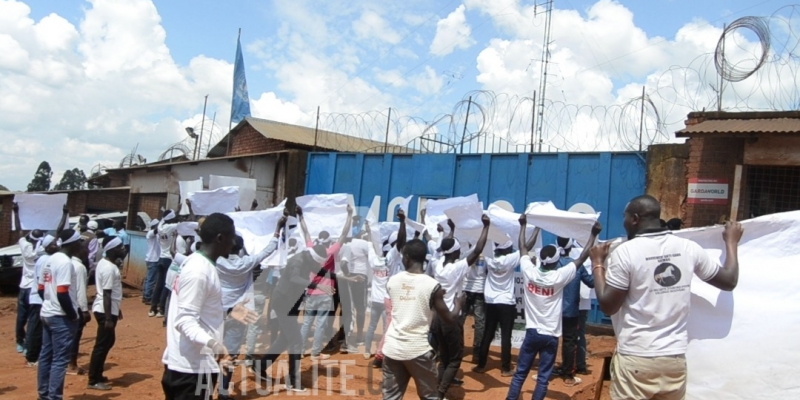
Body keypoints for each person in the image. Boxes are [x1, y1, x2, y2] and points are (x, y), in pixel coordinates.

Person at [589, 195, 743, 400]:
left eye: (625, 217)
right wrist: (731, 242)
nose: (623, 222)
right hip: (674, 360)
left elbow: (608, 306)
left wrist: (598, 264)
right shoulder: (688, 248)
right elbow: (729, 281)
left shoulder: (626, 253)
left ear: (635, 219)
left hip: (637, 356)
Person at [161, 213, 258, 400]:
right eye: (231, 237)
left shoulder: (197, 262)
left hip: (190, 364)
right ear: (220, 238)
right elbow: (185, 321)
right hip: (192, 370)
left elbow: (196, 310)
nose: (233, 243)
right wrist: (215, 346)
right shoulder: (199, 271)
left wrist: (228, 311)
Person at [505, 217, 601, 400]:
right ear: (556, 262)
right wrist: (594, 234)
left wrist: (523, 225)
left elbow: (523, 248)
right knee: (543, 379)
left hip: (532, 333)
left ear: (541, 260)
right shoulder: (559, 277)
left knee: (520, 374)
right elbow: (582, 257)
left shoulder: (529, 271)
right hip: (550, 336)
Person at [381, 238, 464, 400]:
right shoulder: (433, 286)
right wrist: (459, 304)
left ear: (406, 258)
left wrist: (433, 297)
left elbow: (410, 298)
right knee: (430, 396)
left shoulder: (392, 281)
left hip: (392, 348)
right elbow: (450, 319)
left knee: (390, 397)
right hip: (417, 350)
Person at [216, 213, 286, 400]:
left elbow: (195, 244)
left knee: (211, 353)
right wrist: (278, 228)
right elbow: (268, 250)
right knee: (229, 355)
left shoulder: (216, 261)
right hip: (239, 313)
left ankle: (206, 391)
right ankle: (223, 393)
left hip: (217, 312)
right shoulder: (247, 263)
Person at [254, 241, 336, 393]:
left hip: (291, 302)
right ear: (312, 257)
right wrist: (317, 286)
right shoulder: (297, 260)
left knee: (284, 339)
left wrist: (339, 277)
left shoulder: (308, 259)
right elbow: (294, 278)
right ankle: (292, 381)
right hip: (283, 303)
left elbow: (319, 270)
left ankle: (260, 366)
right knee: (296, 341)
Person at [431, 214, 490, 400]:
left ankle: (439, 387)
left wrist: (452, 229)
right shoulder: (456, 269)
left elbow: (447, 248)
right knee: (455, 359)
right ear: (456, 253)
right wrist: (486, 226)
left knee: (445, 358)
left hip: (436, 319)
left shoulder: (437, 264)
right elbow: (478, 249)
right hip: (451, 319)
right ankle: (440, 394)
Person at [298, 205, 353, 361]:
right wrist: (349, 215)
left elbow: (306, 233)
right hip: (325, 292)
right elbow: (343, 234)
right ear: (328, 242)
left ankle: (301, 350)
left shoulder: (310, 251)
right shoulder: (329, 252)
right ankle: (315, 352)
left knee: (307, 322)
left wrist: (301, 216)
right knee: (321, 323)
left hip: (310, 291)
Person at [12, 202, 67, 355]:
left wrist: (16, 213)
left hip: (24, 286)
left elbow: (19, 230)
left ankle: (19, 341)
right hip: (34, 289)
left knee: (21, 317)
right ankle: (31, 346)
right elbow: (58, 232)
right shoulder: (43, 250)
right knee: (33, 319)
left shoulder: (25, 246)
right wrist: (64, 214)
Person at [37, 229, 83, 400]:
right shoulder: (65, 262)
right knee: (59, 360)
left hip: (47, 313)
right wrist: (72, 315)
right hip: (60, 317)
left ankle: (43, 395)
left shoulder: (50, 260)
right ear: (73, 243)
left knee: (46, 356)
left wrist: (49, 303)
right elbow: (62, 293)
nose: (81, 245)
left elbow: (41, 289)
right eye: (80, 241)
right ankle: (54, 397)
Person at [474, 238, 525, 377]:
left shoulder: (489, 258)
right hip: (506, 302)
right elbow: (525, 246)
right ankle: (505, 368)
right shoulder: (510, 259)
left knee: (488, 333)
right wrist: (533, 230)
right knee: (506, 335)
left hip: (490, 301)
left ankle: (481, 364)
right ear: (507, 250)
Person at [553, 236, 595, 386]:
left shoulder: (553, 264)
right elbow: (591, 283)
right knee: (570, 342)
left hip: (553, 311)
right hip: (571, 311)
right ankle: (568, 374)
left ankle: (547, 370)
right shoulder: (577, 266)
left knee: (551, 340)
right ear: (572, 248)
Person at [87, 236, 127, 391]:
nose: (123, 249)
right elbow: (107, 293)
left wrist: (117, 310)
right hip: (105, 311)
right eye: (120, 247)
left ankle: (97, 373)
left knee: (108, 341)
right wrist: (109, 318)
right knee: (102, 345)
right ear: (113, 249)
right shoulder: (109, 268)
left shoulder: (105, 264)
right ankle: (93, 379)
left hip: (108, 308)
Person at [371, 210, 408, 369]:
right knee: (391, 326)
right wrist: (402, 222)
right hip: (392, 297)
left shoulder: (389, 256)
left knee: (393, 326)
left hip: (391, 296)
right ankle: (380, 356)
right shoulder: (394, 254)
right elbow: (401, 241)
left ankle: (390, 354)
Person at [25, 235, 59, 367]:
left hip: (41, 298)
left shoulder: (47, 258)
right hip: (38, 299)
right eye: (54, 244)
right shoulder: (44, 260)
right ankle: (32, 357)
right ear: (48, 246)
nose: (57, 246)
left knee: (39, 328)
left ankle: (36, 354)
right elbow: (42, 282)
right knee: (36, 328)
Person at [336, 230, 371, 352]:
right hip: (359, 277)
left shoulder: (343, 245)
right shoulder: (363, 243)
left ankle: (342, 335)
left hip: (345, 278)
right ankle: (359, 336)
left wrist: (347, 276)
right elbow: (373, 254)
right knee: (360, 308)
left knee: (346, 308)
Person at [362, 221, 388, 360]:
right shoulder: (392, 263)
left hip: (374, 300)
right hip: (385, 301)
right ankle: (382, 351)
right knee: (385, 328)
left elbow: (370, 245)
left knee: (371, 326)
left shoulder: (374, 261)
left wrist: (369, 231)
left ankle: (367, 351)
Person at [67, 240, 91, 376]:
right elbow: (80, 290)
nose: (88, 252)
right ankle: (72, 365)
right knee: (75, 336)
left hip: (65, 306)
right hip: (75, 306)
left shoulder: (67, 263)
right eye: (85, 249)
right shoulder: (80, 267)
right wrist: (84, 310)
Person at [152, 209, 179, 318]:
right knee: (167, 285)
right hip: (168, 259)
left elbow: (163, 218)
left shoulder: (160, 227)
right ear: (171, 218)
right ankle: (161, 309)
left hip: (161, 258)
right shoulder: (170, 227)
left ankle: (153, 307)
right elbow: (184, 224)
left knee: (159, 284)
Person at [143, 219, 161, 305]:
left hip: (152, 259)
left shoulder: (156, 235)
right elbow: (156, 230)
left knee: (148, 279)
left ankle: (145, 296)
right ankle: (148, 297)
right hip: (152, 259)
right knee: (151, 279)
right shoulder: (150, 233)